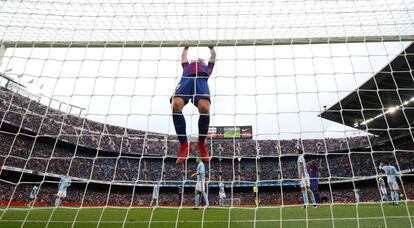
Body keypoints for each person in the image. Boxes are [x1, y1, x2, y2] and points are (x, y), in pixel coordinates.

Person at [171, 46, 216, 164]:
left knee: (204, 108)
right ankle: (185, 146)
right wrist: (186, 47)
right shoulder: (187, 67)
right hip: (186, 80)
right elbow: (183, 57)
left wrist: (211, 48)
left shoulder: (206, 68)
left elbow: (213, 58)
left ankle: (201, 143)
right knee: (175, 105)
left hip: (201, 81)